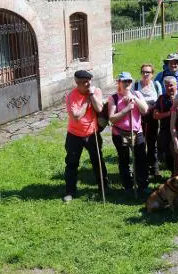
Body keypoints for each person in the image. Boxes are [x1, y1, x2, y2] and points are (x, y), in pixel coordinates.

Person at [63, 70, 109, 202]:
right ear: (77, 83)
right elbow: (76, 116)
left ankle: (104, 187)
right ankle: (70, 192)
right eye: (84, 82)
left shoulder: (96, 91)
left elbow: (100, 109)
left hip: (92, 133)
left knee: (98, 161)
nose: (88, 83)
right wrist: (86, 101)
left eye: (89, 80)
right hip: (74, 135)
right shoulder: (72, 96)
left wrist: (92, 95)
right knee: (71, 164)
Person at [108, 72, 150, 193]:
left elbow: (145, 110)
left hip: (137, 133)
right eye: (124, 81)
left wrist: (135, 100)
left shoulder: (137, 94)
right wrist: (127, 109)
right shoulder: (114, 98)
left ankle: (143, 185)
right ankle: (128, 186)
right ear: (119, 82)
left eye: (129, 81)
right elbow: (112, 118)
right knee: (124, 160)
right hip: (120, 134)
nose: (127, 83)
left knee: (141, 159)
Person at [133, 64, 163, 179]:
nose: (145, 74)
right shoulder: (135, 86)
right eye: (143, 72)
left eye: (148, 72)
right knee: (140, 143)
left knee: (152, 143)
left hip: (152, 118)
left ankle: (154, 168)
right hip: (138, 118)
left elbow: (160, 100)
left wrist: (152, 108)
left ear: (152, 74)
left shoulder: (156, 85)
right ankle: (141, 169)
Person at [153, 76, 178, 175]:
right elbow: (155, 115)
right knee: (168, 155)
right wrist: (170, 113)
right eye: (166, 86)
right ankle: (173, 173)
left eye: (171, 85)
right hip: (165, 131)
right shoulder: (161, 99)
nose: (169, 88)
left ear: (176, 85)